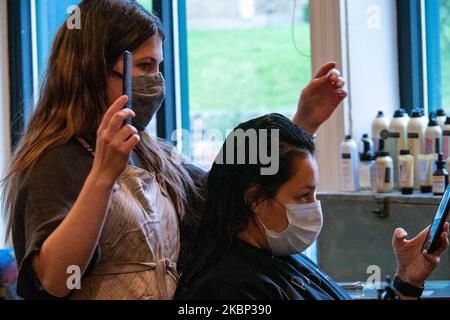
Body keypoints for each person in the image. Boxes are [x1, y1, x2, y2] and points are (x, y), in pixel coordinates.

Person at [1, 0, 347, 300]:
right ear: (93, 71)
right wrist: (103, 177)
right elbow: (57, 279)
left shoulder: (150, 151)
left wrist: (299, 127)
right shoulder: (55, 162)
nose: (157, 80)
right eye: (144, 67)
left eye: (159, 67)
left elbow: (222, 192)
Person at [174, 113, 450, 300]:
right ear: (254, 199)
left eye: (314, 193)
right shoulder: (227, 289)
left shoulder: (278, 257)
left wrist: (408, 281)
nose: (314, 207)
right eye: (303, 196)